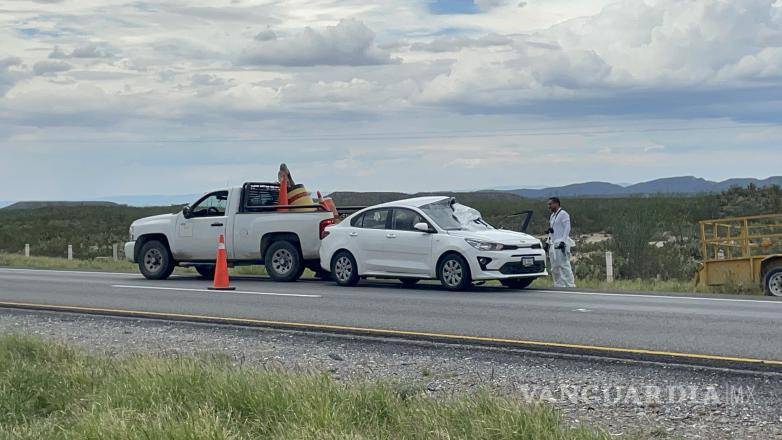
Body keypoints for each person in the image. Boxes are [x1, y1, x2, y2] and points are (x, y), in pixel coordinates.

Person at [547, 197, 575, 288]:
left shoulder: (563, 214)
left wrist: (563, 241)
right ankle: (558, 285)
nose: (549, 206)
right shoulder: (552, 216)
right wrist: (547, 242)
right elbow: (552, 230)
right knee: (554, 267)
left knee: (564, 265)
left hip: (560, 243)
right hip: (553, 243)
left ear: (556, 204)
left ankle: (570, 285)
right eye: (548, 204)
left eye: (550, 204)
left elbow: (567, 228)